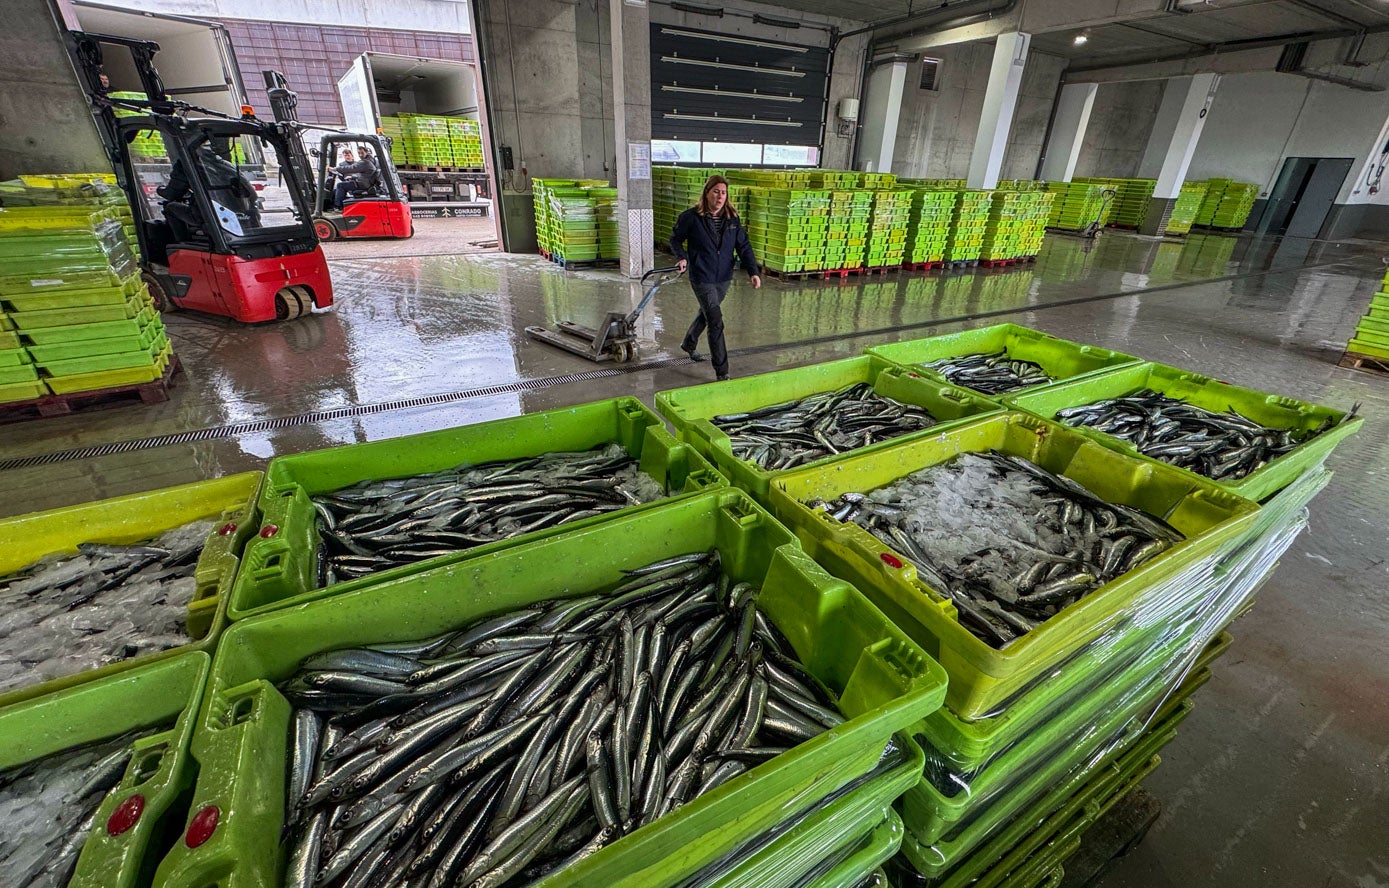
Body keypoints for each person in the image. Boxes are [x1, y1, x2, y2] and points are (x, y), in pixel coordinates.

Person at [669, 174, 761, 381]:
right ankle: (722, 371)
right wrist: (681, 258)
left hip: (723, 277)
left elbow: (743, 246)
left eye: (723, 193)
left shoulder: (732, 219)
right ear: (707, 193)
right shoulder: (691, 217)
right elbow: (675, 239)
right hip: (702, 276)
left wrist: (753, 272)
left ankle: (689, 343)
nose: (720, 197)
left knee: (708, 314)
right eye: (716, 192)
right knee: (716, 321)